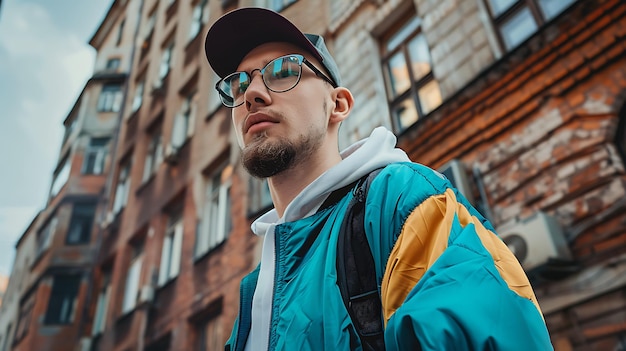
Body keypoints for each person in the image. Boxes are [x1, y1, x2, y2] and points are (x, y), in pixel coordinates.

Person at [204, 7, 553, 351]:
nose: (251, 94)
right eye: (238, 84)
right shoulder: (257, 288)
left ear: (338, 105)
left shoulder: (401, 200)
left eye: (283, 71)